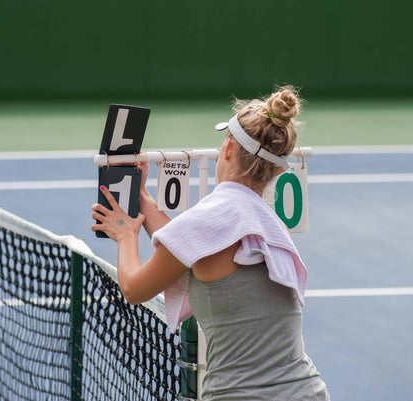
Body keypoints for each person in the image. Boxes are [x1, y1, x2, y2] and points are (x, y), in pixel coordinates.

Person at [91, 87, 330, 401]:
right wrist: (143, 200)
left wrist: (125, 237)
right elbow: (191, 246)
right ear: (278, 170)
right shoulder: (269, 224)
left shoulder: (210, 220)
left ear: (228, 149)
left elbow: (134, 289)